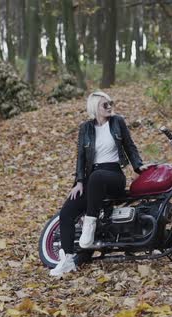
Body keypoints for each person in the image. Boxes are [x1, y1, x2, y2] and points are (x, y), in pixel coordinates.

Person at [50, 91, 148, 277]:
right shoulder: (85, 128)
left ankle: (89, 227)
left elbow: (130, 146)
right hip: (92, 177)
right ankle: (68, 260)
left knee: (97, 177)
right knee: (67, 212)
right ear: (94, 107)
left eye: (111, 102)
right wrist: (79, 182)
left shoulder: (117, 122)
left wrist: (139, 166)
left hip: (113, 176)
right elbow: (80, 157)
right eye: (105, 104)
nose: (110, 106)